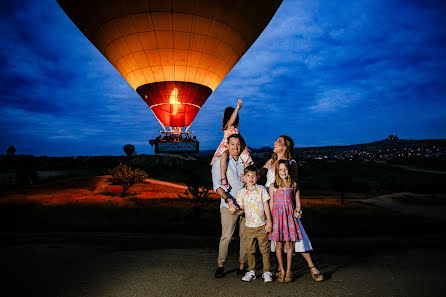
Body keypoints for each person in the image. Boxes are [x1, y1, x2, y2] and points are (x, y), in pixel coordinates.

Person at [269, 160, 324, 282]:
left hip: (289, 219)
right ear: (277, 171)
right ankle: (281, 270)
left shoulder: (293, 185)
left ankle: (288, 271)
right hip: (278, 219)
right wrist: (271, 221)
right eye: (281, 169)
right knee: (278, 245)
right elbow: (271, 204)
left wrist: (298, 211)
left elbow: (298, 204)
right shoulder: (273, 186)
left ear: (289, 170)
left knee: (289, 245)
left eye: (285, 169)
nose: (283, 172)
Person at [212, 134, 247, 278]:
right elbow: (217, 187)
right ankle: (221, 265)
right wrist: (228, 199)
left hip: (245, 206)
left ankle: (242, 266)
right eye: (232, 144)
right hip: (229, 205)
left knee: (245, 237)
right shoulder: (220, 162)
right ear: (227, 145)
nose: (235, 147)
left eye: (238, 144)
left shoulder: (244, 163)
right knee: (226, 237)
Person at [236, 165, 273, 282]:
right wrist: (234, 209)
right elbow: (241, 209)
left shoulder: (261, 189)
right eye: (248, 176)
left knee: (264, 250)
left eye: (253, 176)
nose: (251, 178)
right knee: (250, 250)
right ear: (244, 178)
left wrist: (269, 222)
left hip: (262, 225)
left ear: (257, 177)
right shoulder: (241, 193)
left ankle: (266, 272)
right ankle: (251, 271)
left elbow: (266, 206)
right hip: (249, 226)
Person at [210, 99, 253, 188]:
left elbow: (241, 138)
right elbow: (231, 120)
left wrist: (245, 147)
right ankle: (223, 177)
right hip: (227, 145)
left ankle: (246, 179)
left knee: (247, 158)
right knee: (224, 155)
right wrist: (237, 108)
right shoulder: (227, 126)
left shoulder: (236, 130)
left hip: (237, 145)